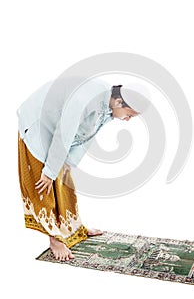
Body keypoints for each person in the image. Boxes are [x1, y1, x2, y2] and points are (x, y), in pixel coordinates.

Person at [17, 77, 140, 261]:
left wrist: (68, 163)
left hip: (58, 128)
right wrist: (50, 171)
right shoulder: (87, 99)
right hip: (38, 126)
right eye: (129, 114)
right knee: (43, 184)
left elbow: (86, 136)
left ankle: (73, 228)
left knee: (65, 182)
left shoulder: (108, 105)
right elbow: (64, 133)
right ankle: (55, 239)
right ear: (119, 102)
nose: (128, 119)